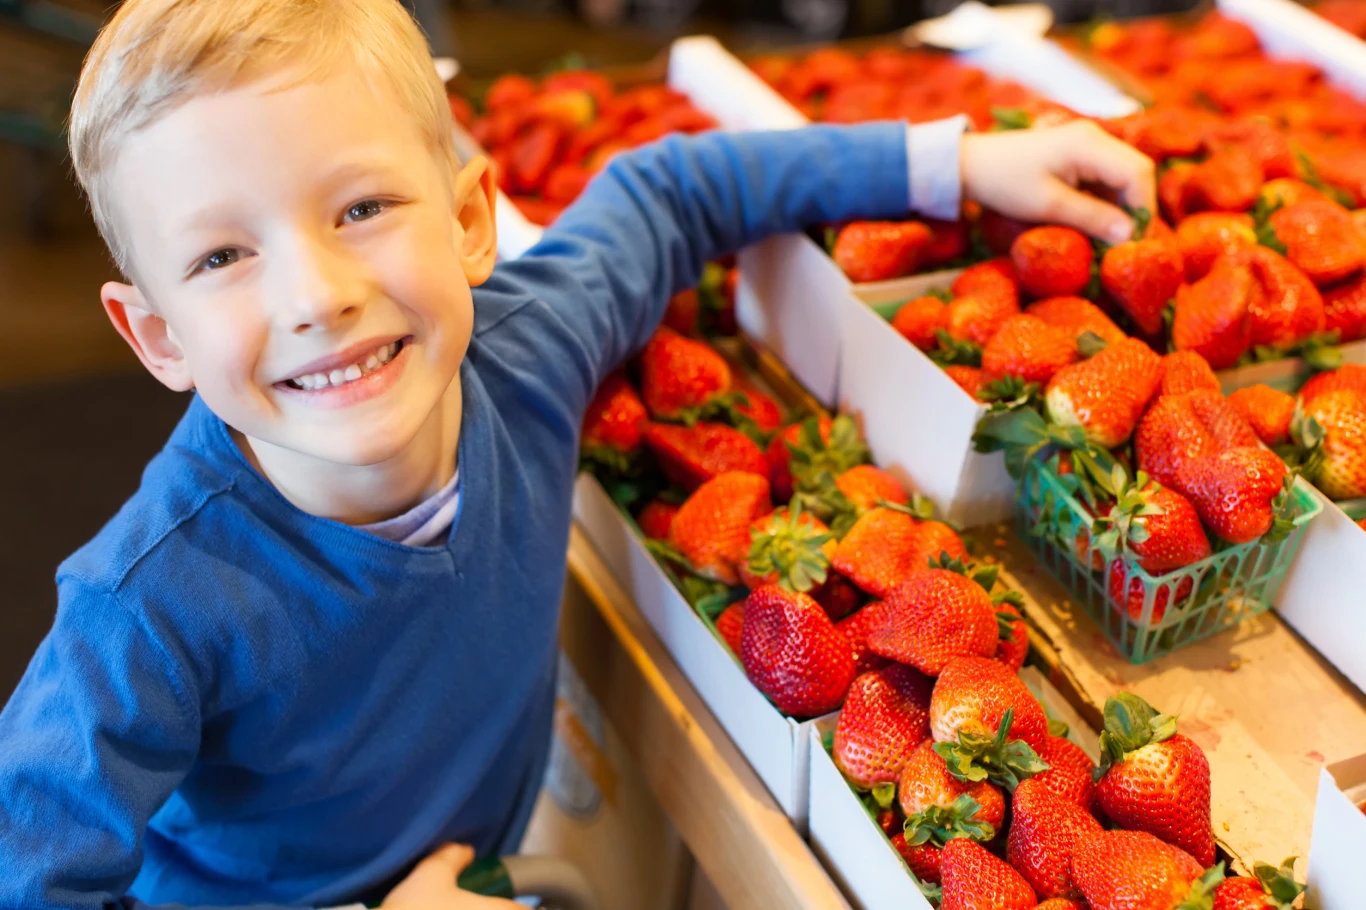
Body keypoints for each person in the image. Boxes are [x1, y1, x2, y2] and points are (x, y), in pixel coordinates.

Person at [0, 0, 1154, 907]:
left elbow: (669, 187)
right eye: (219, 259)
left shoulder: (524, 352)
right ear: (154, 335)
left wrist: (946, 165)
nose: (317, 295)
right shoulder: (139, 610)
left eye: (358, 209)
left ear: (468, 222)